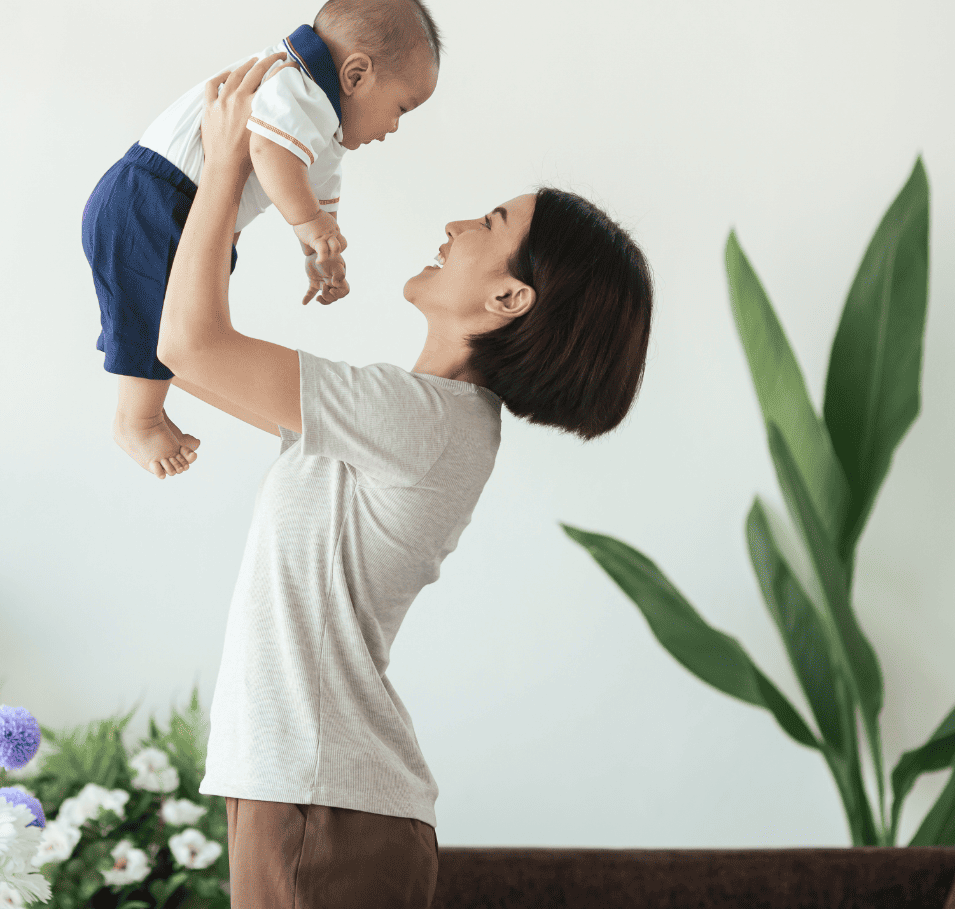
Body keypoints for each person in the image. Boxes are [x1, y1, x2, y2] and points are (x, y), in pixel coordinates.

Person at [156, 56, 654, 909]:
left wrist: (232, 161)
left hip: (322, 805)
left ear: (509, 297)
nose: (458, 224)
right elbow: (196, 358)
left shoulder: (417, 419)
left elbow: (190, 347)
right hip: (314, 797)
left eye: (490, 223)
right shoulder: (422, 419)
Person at [81, 0, 442, 480]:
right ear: (356, 74)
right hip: (156, 196)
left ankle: (145, 408)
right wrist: (310, 224)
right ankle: (136, 418)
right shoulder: (297, 86)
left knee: (157, 313)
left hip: (174, 204)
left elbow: (310, 187)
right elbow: (271, 155)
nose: (396, 127)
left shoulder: (321, 119)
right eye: (402, 108)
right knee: (155, 311)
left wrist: (321, 251)